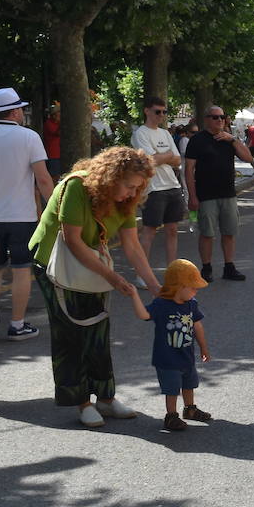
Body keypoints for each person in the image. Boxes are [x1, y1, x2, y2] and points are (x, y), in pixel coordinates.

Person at [28, 146, 162, 427]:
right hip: (54, 264)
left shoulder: (127, 199)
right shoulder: (77, 187)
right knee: (71, 333)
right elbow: (73, 241)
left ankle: (106, 398)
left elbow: (133, 246)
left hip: (90, 262)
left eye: (137, 188)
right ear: (111, 177)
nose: (131, 193)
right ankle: (82, 402)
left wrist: (155, 287)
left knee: (98, 330)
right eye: (128, 186)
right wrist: (113, 278)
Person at [0, 87, 56, 345]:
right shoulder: (29, 137)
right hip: (21, 215)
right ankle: (17, 324)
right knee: (21, 270)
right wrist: (55, 208)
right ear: (16, 111)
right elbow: (42, 178)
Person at [126, 258, 212, 432]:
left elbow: (197, 326)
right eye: (193, 287)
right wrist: (134, 296)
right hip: (167, 359)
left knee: (189, 384)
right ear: (179, 286)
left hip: (186, 356)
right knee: (172, 388)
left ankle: (190, 409)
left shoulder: (191, 304)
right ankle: (171, 416)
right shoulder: (161, 305)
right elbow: (144, 315)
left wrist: (203, 347)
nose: (196, 291)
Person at [185, 107, 251, 281]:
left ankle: (229, 267)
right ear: (206, 119)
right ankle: (206, 268)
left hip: (228, 194)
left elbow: (248, 158)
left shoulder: (229, 140)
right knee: (207, 233)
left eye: (222, 116)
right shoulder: (197, 140)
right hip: (206, 195)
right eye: (215, 117)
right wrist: (192, 196)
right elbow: (189, 169)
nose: (219, 120)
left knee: (229, 232)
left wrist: (233, 139)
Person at [131, 96, 186, 280]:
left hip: (173, 186)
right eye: (157, 112)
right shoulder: (141, 133)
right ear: (147, 111)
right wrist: (168, 155)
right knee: (149, 231)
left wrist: (164, 156)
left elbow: (178, 160)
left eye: (164, 112)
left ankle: (172, 272)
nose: (161, 115)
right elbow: (150, 161)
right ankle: (142, 275)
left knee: (172, 230)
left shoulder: (165, 133)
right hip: (153, 189)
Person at [42, 103, 62, 178]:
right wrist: (61, 123)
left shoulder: (56, 123)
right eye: (58, 113)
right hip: (53, 154)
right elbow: (57, 133)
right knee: (54, 175)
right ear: (54, 115)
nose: (60, 115)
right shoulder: (49, 123)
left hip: (58, 153)